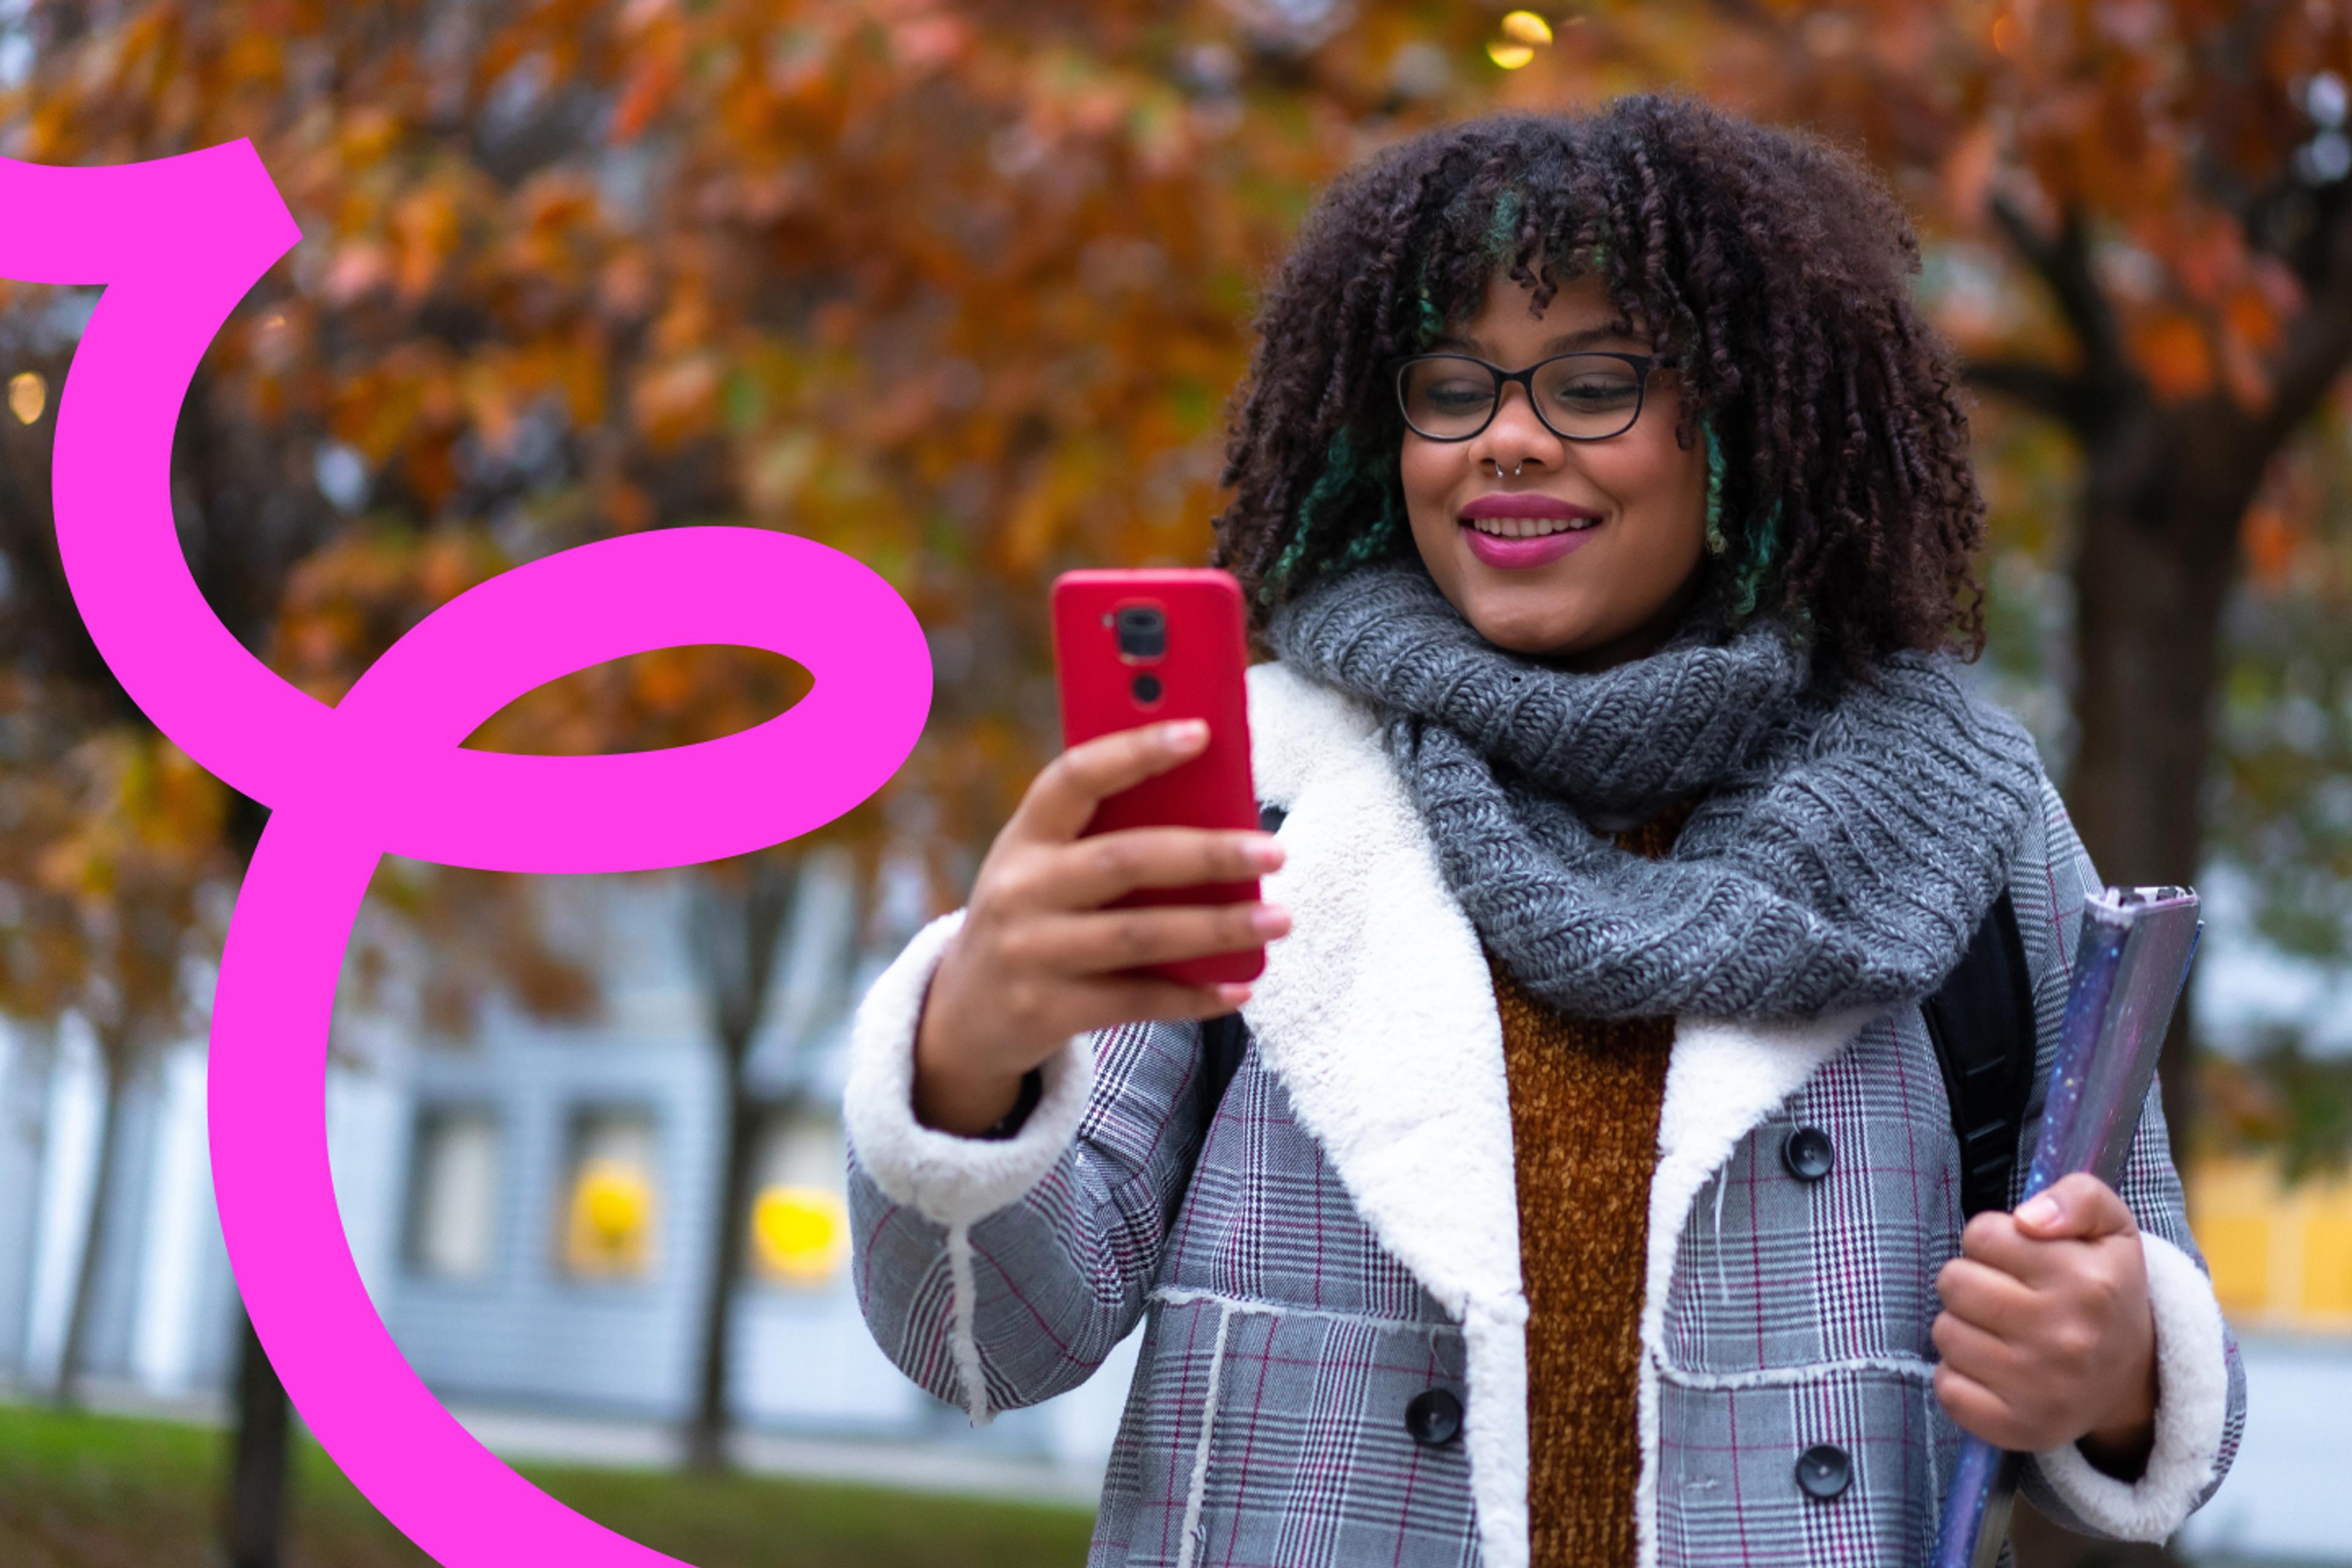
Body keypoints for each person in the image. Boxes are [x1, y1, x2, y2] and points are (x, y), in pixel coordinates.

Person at [840, 97, 2244, 1568]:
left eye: (1593, 383)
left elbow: (2135, 1284)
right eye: (1450, 386)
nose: (1505, 440)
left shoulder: (1966, 803)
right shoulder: (1258, 778)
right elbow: (987, 1343)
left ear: (1747, 420)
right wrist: (971, 1057)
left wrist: (2117, 1366)